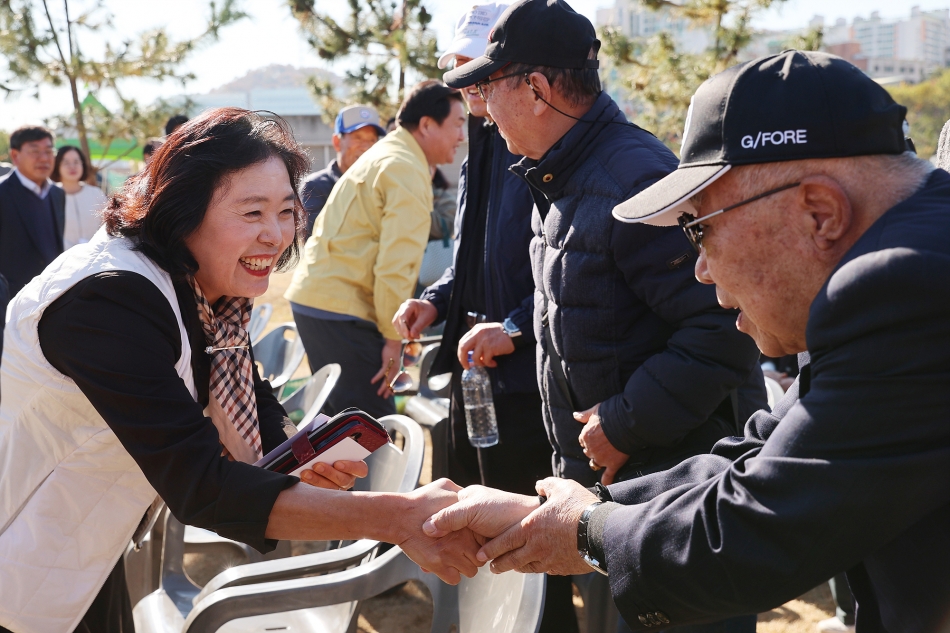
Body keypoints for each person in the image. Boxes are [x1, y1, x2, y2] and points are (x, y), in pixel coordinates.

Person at [423, 50, 950, 633]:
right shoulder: (911, 265)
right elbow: (762, 458)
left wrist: (585, 532)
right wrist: (572, 513)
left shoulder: (903, 284)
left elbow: (759, 528)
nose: (697, 269)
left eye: (699, 227)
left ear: (820, 212)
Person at [0, 108, 484, 633]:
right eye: (251, 213)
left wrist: (296, 453)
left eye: (284, 211)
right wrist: (396, 517)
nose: (275, 235)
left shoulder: (200, 289)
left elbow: (242, 385)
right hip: (22, 556)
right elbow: (202, 485)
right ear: (181, 211)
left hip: (89, 546)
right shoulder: (110, 300)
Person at [443, 0, 764, 492]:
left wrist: (624, 425)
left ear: (536, 90)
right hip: (605, 477)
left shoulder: (631, 182)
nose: (482, 105)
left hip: (664, 487)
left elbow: (726, 324)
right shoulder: (556, 174)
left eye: (488, 86)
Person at [395, 4, 579, 630]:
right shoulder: (482, 146)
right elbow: (474, 254)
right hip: (477, 373)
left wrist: (518, 326)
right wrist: (437, 299)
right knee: (477, 525)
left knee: (529, 538)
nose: (464, 82)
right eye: (456, 69)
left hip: (529, 379)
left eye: (475, 69)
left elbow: (565, 267)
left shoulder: (544, 148)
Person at [285, 82, 466, 420]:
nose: (462, 136)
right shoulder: (406, 168)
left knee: (338, 426)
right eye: (457, 124)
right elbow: (395, 267)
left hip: (322, 303)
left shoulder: (389, 156)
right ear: (427, 124)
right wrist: (392, 341)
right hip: (341, 310)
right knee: (372, 430)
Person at [300, 104, 386, 235]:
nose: (366, 147)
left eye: (372, 140)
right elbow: (317, 238)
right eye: (358, 138)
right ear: (337, 142)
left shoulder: (381, 185)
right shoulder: (315, 187)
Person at [0, 125, 66, 296]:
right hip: (10, 300)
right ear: (15, 155)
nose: (44, 158)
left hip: (50, 296)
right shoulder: (2, 193)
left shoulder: (57, 194)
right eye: (35, 151)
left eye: (49, 151)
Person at [51, 145, 107, 248]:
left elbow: (106, 226)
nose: (72, 166)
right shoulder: (50, 196)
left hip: (96, 255)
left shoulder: (96, 193)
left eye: (76, 162)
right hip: (62, 259)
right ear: (56, 165)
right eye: (66, 162)